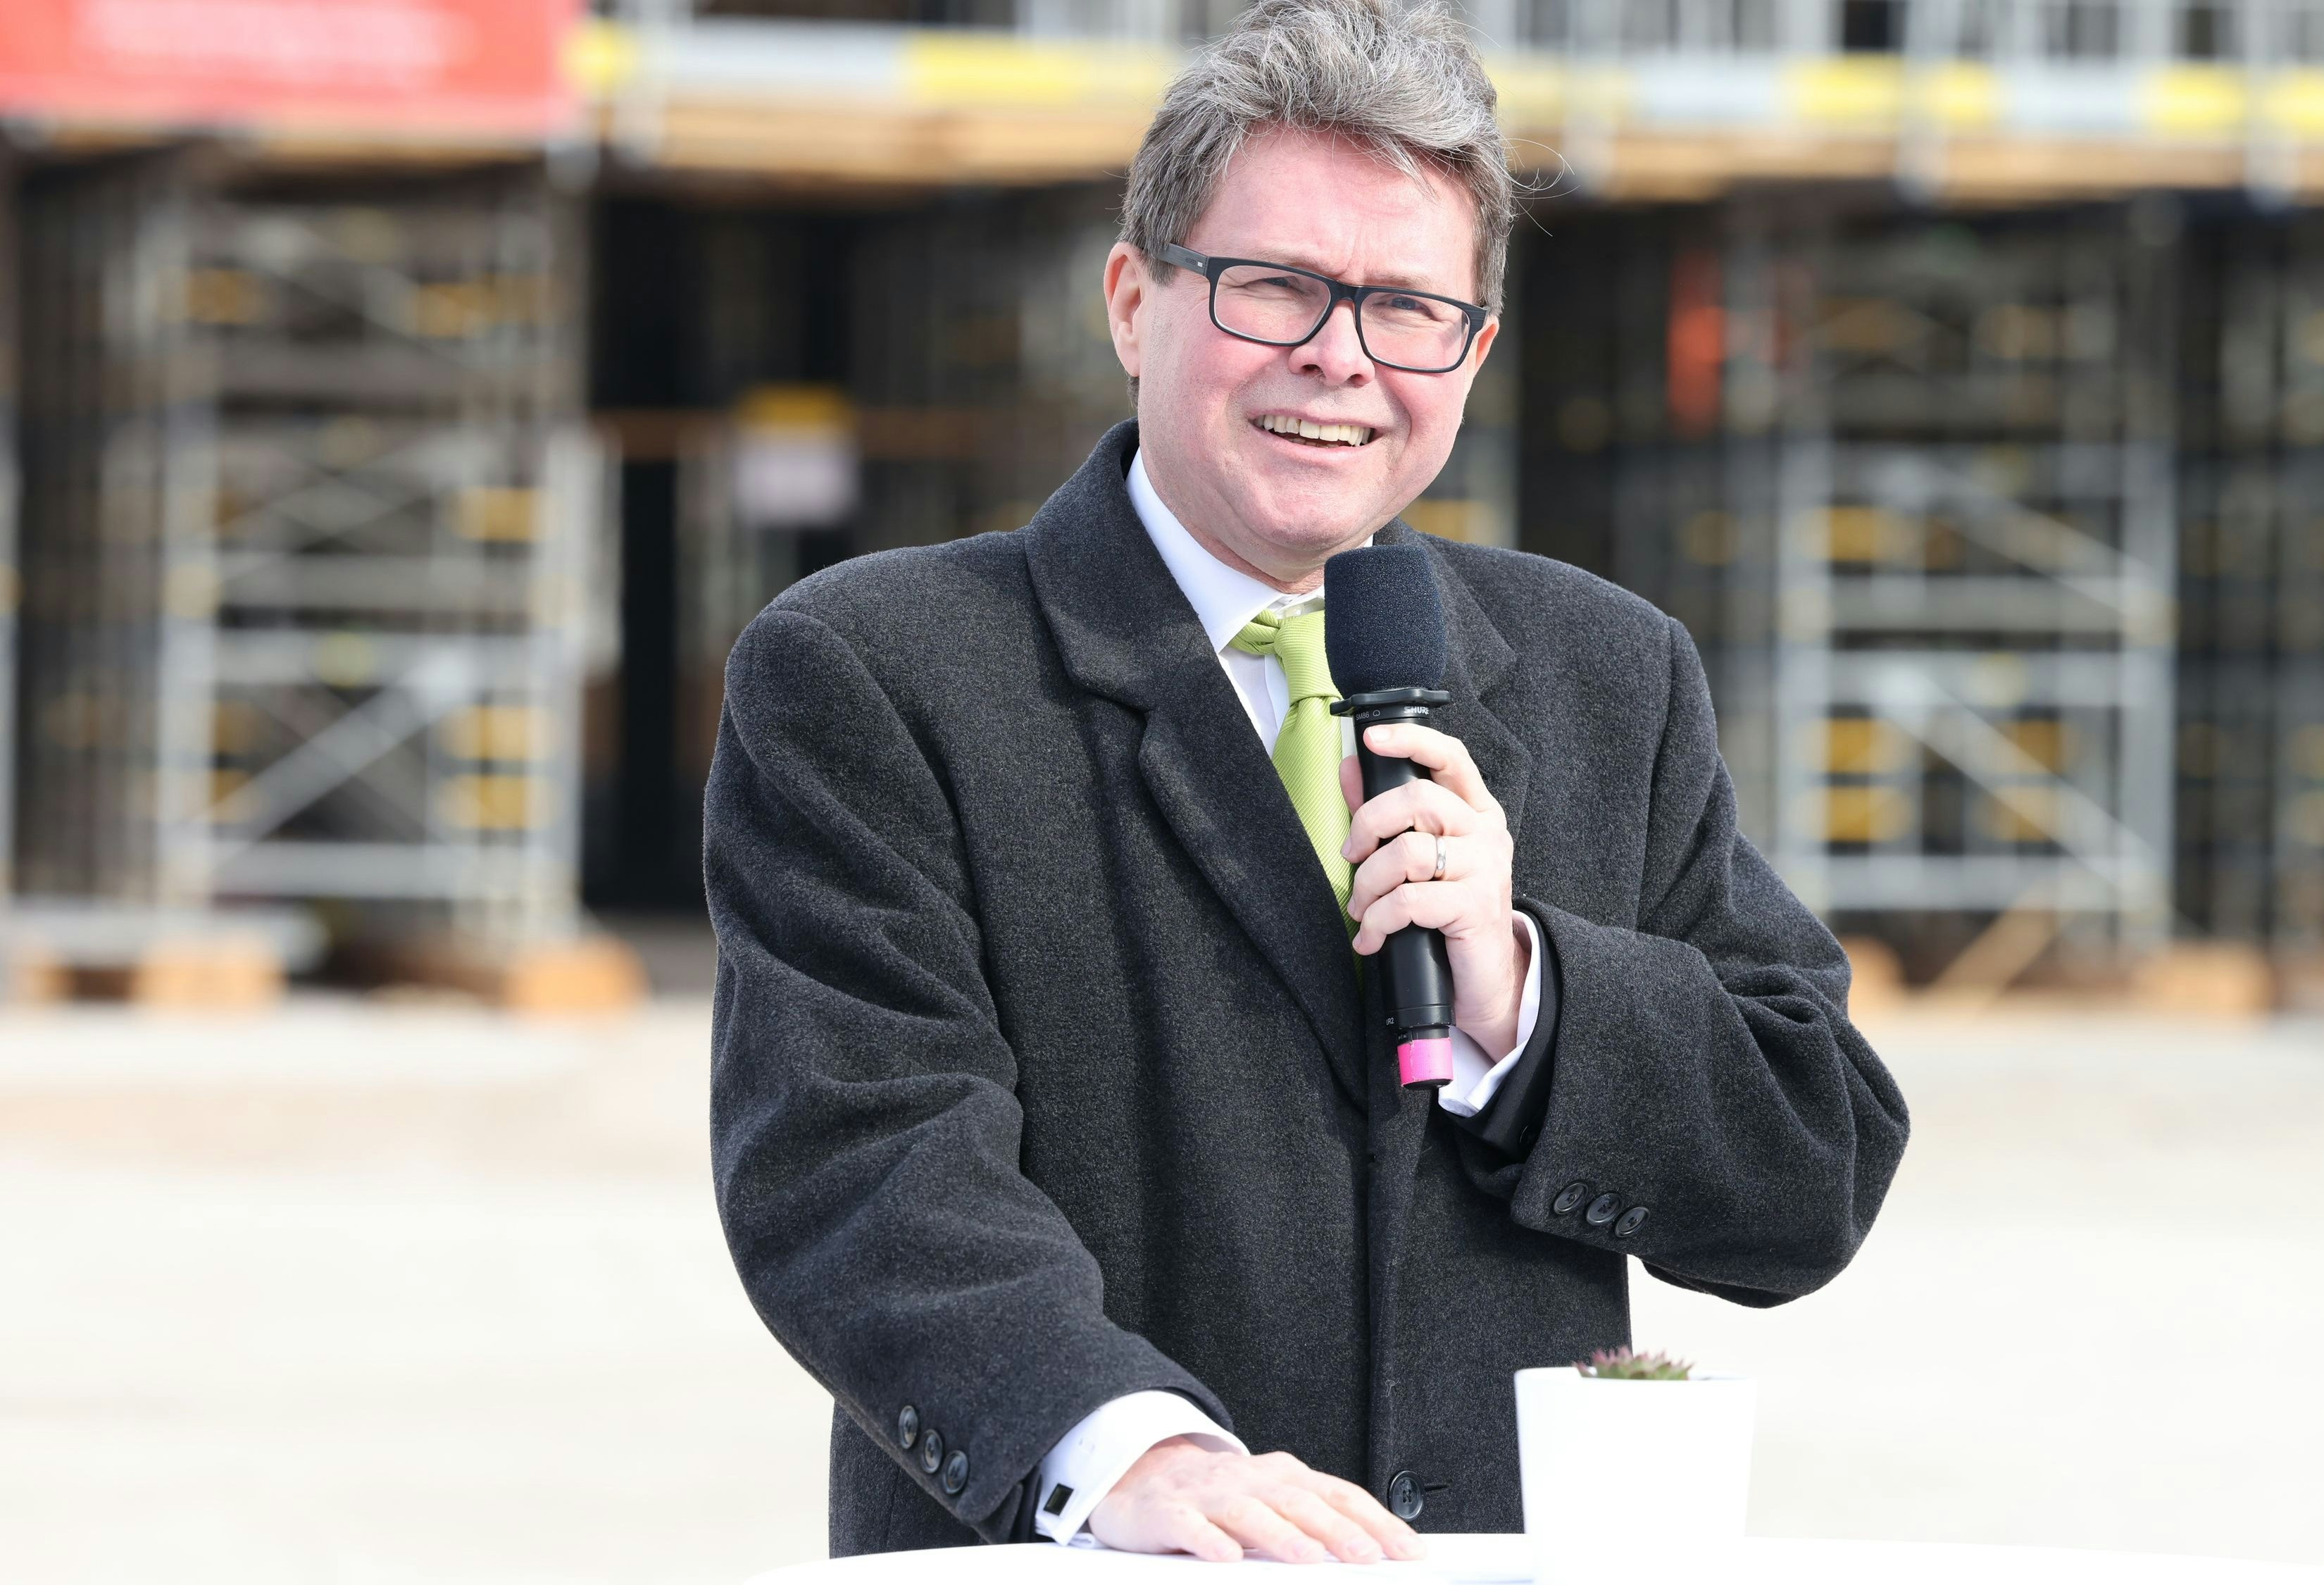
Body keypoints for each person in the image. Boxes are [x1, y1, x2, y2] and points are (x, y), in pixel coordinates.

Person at [705, 0, 1908, 1565]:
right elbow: (862, 1157)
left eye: (1407, 306)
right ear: (1133, 301)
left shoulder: (1609, 671)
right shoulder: (878, 671)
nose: (1338, 356)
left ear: (1472, 354)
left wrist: (1525, 998)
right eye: (1273, 285)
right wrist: (1130, 1449)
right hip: (1105, 1560)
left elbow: (1808, 1165)